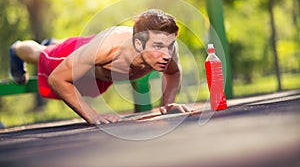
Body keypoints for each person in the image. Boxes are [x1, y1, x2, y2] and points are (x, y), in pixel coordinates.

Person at [9, 9, 192, 125]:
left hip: (97, 69)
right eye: (159, 47)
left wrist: (167, 105)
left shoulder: (167, 46)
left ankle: (53, 42)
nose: (167, 55)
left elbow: (173, 72)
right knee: (40, 53)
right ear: (138, 44)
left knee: (81, 55)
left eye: (170, 45)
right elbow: (57, 79)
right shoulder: (109, 48)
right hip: (76, 54)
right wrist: (93, 115)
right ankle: (16, 49)